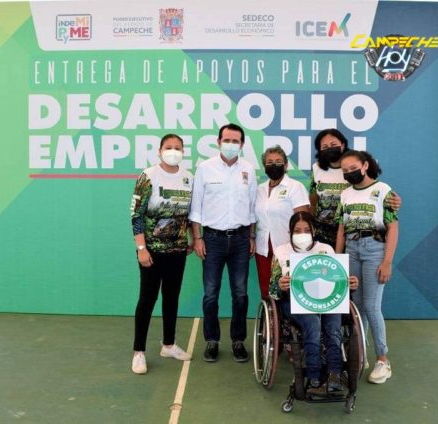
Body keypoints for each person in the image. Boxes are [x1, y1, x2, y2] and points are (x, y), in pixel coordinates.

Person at [269, 211, 359, 396]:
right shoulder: (281, 252)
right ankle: (314, 377)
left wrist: (350, 285)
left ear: (314, 231)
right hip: (294, 302)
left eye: (306, 230)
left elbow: (338, 283)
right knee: (313, 323)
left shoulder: (326, 249)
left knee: (333, 324)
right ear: (290, 232)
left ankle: (334, 375)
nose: (302, 234)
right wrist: (280, 285)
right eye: (297, 230)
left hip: (326, 301)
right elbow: (272, 291)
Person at [189, 123, 257, 363]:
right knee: (210, 294)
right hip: (212, 240)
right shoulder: (205, 168)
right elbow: (196, 207)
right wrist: (197, 238)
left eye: (235, 141)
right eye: (226, 140)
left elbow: (252, 208)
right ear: (218, 142)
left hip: (240, 240)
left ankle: (238, 340)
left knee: (241, 294)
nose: (230, 145)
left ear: (242, 144)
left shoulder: (249, 169)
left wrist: (251, 237)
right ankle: (212, 340)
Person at [130, 134, 193, 375]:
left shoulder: (188, 178)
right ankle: (138, 352)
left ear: (183, 152)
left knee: (171, 297)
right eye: (168, 147)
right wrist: (141, 249)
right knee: (147, 299)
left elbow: (190, 214)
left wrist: (191, 238)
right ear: (159, 151)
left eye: (178, 147)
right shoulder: (148, 176)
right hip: (152, 252)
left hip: (177, 251)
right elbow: (136, 215)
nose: (173, 151)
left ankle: (168, 345)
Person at [335, 150, 398, 384]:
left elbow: (392, 227)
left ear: (365, 166)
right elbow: (342, 229)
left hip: (374, 249)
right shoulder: (345, 194)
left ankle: (383, 359)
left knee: (372, 306)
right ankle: (360, 352)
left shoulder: (383, 190)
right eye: (345, 171)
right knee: (358, 306)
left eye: (353, 168)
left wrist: (387, 261)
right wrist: (338, 259)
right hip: (352, 249)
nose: (349, 173)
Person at [309, 129, 401, 247]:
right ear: (319, 150)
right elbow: (313, 201)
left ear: (342, 145)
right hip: (322, 233)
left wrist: (394, 201)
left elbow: (374, 190)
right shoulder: (316, 168)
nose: (329, 148)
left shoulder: (355, 163)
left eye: (333, 144)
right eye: (324, 146)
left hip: (351, 233)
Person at [255, 145, 309, 298]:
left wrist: (300, 243)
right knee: (267, 290)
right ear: (264, 166)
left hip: (288, 247)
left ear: (285, 165)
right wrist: (251, 237)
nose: (274, 165)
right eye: (270, 162)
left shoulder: (295, 187)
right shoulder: (260, 189)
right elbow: (254, 218)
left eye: (278, 161)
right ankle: (269, 314)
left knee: (289, 290)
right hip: (263, 248)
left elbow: (304, 219)